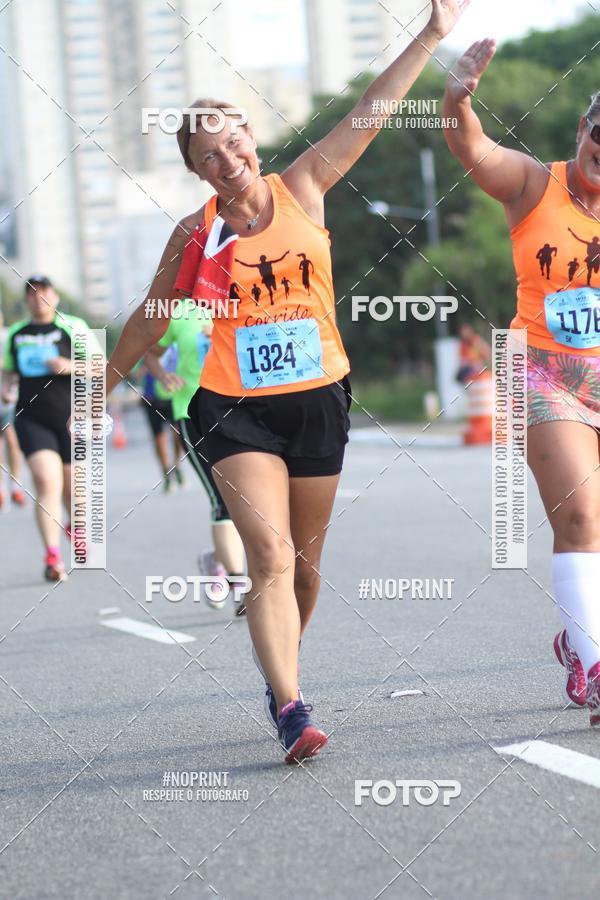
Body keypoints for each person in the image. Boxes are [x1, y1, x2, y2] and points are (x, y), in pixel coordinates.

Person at [104, 0, 469, 763]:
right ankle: (293, 707)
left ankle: (280, 680)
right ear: (197, 171)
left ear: (250, 137)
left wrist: (432, 34)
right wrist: (98, 385)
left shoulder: (304, 185)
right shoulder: (194, 235)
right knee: (268, 556)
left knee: (303, 569)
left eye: (232, 140)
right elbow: (150, 318)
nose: (226, 158)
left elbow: (370, 113)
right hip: (230, 408)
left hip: (317, 401)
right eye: (208, 154)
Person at [444, 42, 600, 724]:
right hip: (542, 369)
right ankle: (595, 664)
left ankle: (579, 635)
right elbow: (474, 149)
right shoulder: (537, 184)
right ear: (584, 130)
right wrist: (457, 101)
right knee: (581, 517)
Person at [143, 298, 246, 614]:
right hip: (192, 414)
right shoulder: (180, 312)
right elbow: (150, 352)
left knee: (247, 500)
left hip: (241, 412)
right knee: (221, 498)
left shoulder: (238, 301)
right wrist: (163, 376)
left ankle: (216, 560)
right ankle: (241, 586)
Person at [1, 276, 97, 581]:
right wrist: (6, 388)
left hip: (71, 418)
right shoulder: (17, 333)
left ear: (54, 296)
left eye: (43, 292)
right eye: (31, 293)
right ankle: (53, 557)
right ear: (26, 300)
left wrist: (70, 366)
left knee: (73, 490)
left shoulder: (74, 326)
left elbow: (101, 365)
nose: (37, 298)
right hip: (32, 418)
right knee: (46, 482)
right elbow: (8, 370)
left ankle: (75, 528)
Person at [139, 357, 184, 492]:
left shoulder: (174, 347)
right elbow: (135, 373)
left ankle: (177, 464)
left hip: (174, 396)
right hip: (152, 397)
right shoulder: (145, 350)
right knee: (159, 438)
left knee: (178, 435)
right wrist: (143, 370)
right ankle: (166, 473)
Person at [0, 309, 25, 509]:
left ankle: (16, 485)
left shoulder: (9, 337)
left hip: (8, 399)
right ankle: (1, 488)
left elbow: (18, 366)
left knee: (12, 442)